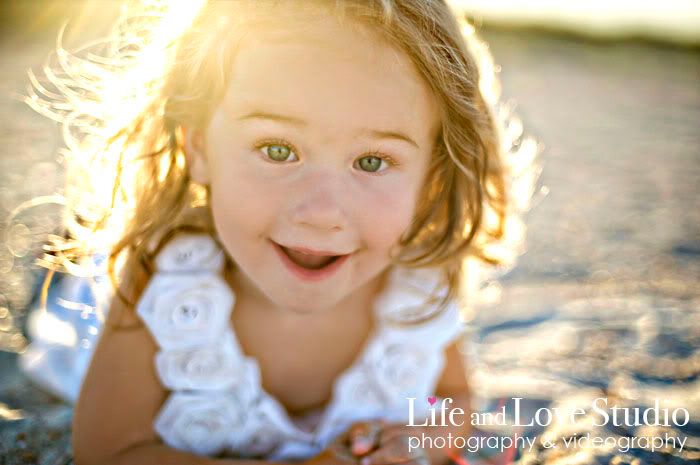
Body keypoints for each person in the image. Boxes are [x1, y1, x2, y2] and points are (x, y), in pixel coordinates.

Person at [18, 1, 537, 464]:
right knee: (67, 294)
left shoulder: (416, 291)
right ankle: (67, 254)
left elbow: (450, 401)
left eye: (373, 161)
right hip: (89, 317)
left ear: (431, 179)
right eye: (277, 150)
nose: (321, 212)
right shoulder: (160, 282)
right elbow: (110, 449)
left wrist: (419, 437)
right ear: (199, 148)